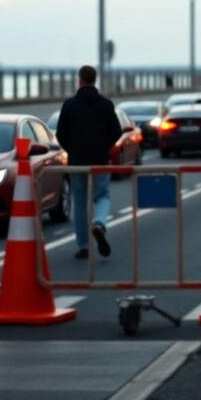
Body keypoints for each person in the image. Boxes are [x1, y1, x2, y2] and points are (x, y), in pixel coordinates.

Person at [55, 65, 121, 259]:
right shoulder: (106, 104)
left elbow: (60, 134)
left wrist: (72, 150)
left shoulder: (69, 105)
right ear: (95, 80)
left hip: (77, 162)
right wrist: (104, 146)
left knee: (80, 203)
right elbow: (116, 131)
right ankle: (99, 223)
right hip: (100, 160)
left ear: (80, 80)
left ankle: (83, 245)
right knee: (102, 196)